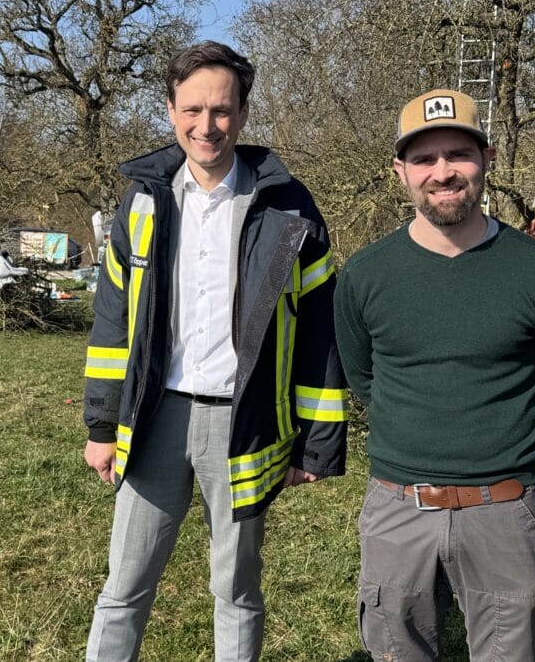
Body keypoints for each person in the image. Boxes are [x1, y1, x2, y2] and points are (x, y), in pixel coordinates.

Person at [82, 41, 348, 662]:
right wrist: (102, 423)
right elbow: (112, 322)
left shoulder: (289, 204)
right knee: (124, 585)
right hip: (154, 419)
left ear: (245, 112)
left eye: (223, 110)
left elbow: (318, 330)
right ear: (171, 110)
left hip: (245, 422)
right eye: (193, 109)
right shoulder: (142, 199)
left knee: (237, 590)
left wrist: (317, 441)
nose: (208, 126)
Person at [333, 88, 535, 661]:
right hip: (398, 508)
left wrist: (499, 445)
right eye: (424, 158)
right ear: (400, 171)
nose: (443, 172)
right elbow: (364, 377)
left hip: (504, 507)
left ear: (488, 159)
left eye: (459, 154)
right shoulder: (365, 275)